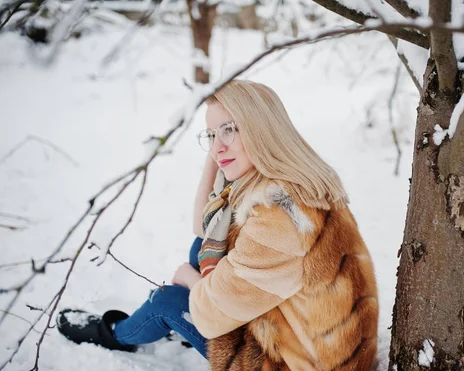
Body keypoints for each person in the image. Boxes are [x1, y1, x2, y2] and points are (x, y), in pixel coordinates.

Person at [57, 80, 379, 370]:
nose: (216, 147)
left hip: (292, 363)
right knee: (206, 244)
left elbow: (211, 315)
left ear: (261, 128)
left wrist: (187, 278)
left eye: (229, 130)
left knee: (168, 302)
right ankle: (175, 320)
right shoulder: (295, 180)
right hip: (321, 345)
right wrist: (222, 151)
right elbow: (204, 225)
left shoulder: (278, 217)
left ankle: (115, 334)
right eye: (211, 135)